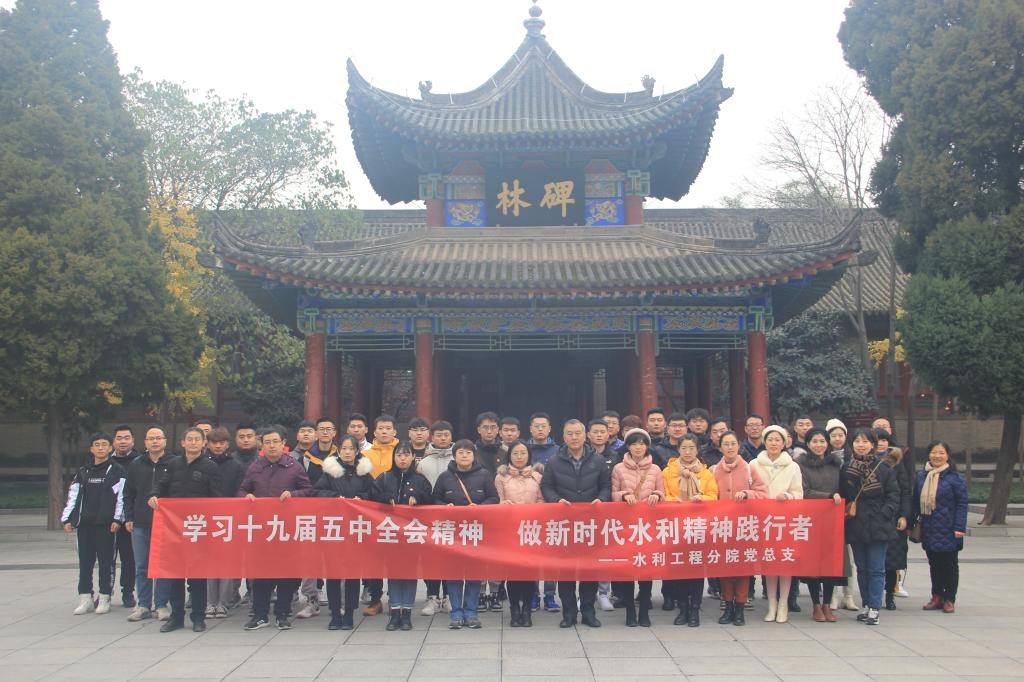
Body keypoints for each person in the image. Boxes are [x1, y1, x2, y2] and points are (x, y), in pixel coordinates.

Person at [238, 425, 313, 631]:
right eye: (267, 442)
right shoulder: (256, 466)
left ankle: (282, 614)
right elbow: (243, 489)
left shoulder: (294, 466)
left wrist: (293, 495)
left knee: (286, 574)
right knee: (261, 574)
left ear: (283, 444)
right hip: (262, 529)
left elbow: (308, 490)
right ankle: (260, 615)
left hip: (286, 529)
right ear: (262, 445)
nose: (271, 446)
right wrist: (247, 495)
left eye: (275, 442)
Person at [149, 427, 223, 633]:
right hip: (175, 528)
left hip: (198, 529)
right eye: (189, 439)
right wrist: (154, 496)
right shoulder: (173, 464)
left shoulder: (210, 467)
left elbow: (217, 497)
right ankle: (176, 617)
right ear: (182, 443)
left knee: (197, 577)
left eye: (197, 439)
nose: (192, 443)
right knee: (175, 575)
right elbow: (161, 486)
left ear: (203, 443)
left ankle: (198, 617)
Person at [540, 419, 611, 628]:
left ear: (585, 435)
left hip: (591, 524)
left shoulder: (597, 460)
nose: (574, 437)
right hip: (565, 524)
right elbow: (546, 486)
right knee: (566, 571)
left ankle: (588, 613)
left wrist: (602, 498)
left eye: (577, 433)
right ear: (564, 437)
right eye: (569, 434)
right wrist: (555, 500)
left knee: (589, 570)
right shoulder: (554, 461)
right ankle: (569, 614)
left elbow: (606, 485)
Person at [433, 440, 499, 628]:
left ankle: (471, 612)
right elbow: (434, 499)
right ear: (454, 456)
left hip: (475, 532)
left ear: (474, 455)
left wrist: (480, 507)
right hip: (452, 532)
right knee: (454, 574)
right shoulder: (445, 477)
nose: (464, 456)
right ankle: (456, 612)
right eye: (460, 452)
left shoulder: (484, 475)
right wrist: (444, 506)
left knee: (474, 574)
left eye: (468, 452)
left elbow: (494, 498)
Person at [311, 434, 374, 629]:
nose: (347, 452)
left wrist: (360, 498)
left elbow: (373, 494)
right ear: (338, 451)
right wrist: (335, 498)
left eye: (351, 449)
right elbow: (317, 492)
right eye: (344, 448)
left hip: (356, 530)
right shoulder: (330, 471)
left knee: (353, 574)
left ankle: (349, 613)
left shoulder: (364, 472)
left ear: (357, 451)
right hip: (334, 529)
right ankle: (335, 613)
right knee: (334, 573)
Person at [839, 427, 900, 626]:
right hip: (856, 524)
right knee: (862, 568)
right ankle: (866, 604)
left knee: (876, 568)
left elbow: (894, 495)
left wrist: (885, 513)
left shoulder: (884, 468)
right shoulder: (846, 469)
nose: (861, 445)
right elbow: (844, 494)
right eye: (857, 441)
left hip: (878, 524)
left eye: (865, 441)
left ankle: (874, 607)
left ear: (873, 445)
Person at [61, 433, 126, 616]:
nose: (100, 448)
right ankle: (85, 599)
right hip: (85, 525)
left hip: (106, 525)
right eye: (96, 444)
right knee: (85, 564)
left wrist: (117, 519)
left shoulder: (117, 470)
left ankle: (104, 598)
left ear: (110, 448)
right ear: (91, 448)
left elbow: (121, 497)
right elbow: (73, 496)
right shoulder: (84, 471)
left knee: (106, 564)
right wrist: (67, 519)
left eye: (104, 444)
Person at [373, 441, 434, 631]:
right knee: (394, 574)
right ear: (394, 457)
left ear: (413, 457)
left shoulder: (420, 480)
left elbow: (431, 501)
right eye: (399, 455)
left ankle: (406, 613)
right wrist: (384, 498)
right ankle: (394, 612)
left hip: (412, 535)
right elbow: (371, 497)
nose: (402, 458)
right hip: (390, 534)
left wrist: (420, 499)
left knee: (409, 574)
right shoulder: (384, 477)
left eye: (406, 455)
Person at [609, 429, 664, 627]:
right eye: (634, 443)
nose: (638, 447)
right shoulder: (618, 468)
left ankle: (644, 610)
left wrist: (656, 495)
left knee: (645, 569)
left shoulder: (655, 469)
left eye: (642, 443)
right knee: (627, 568)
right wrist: (624, 495)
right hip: (626, 526)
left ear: (647, 446)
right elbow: (612, 494)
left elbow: (662, 492)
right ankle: (630, 610)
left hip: (648, 526)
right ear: (628, 446)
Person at [712, 431, 767, 625]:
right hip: (722, 527)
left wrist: (747, 494)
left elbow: (763, 493)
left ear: (738, 446)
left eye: (733, 443)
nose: (730, 447)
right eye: (726, 444)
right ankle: (728, 606)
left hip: (745, 526)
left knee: (743, 568)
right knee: (725, 568)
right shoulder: (714, 470)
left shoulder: (750, 469)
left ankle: (740, 609)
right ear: (720, 448)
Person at [662, 432, 718, 626]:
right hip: (676, 526)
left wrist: (702, 498)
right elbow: (663, 495)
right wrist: (673, 501)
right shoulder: (668, 472)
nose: (687, 452)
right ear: (678, 449)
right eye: (684, 448)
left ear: (697, 450)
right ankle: (683, 608)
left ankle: (695, 609)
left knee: (696, 570)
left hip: (698, 526)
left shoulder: (705, 473)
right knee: (678, 570)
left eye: (691, 448)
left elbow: (714, 495)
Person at [751, 424, 803, 623]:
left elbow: (799, 493)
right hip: (763, 521)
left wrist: (787, 496)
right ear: (764, 442)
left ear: (784, 443)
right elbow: (750, 489)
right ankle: (772, 604)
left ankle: (783, 604)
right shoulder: (754, 464)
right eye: (770, 439)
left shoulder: (793, 466)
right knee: (769, 563)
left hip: (785, 521)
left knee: (785, 563)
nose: (773, 443)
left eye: (777, 440)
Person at [123, 426, 176, 622]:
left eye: (158, 438)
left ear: (165, 441)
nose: (155, 441)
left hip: (166, 523)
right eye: (151, 438)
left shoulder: (174, 463)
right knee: (142, 565)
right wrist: (129, 517)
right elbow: (128, 493)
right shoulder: (136, 464)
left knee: (163, 565)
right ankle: (143, 604)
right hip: (140, 522)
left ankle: (161, 604)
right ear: (145, 442)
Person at [910, 441, 968, 614]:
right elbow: (915, 502)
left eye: (941, 453)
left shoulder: (956, 478)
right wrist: (911, 522)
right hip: (929, 527)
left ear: (947, 456)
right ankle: (936, 596)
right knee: (934, 564)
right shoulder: (922, 476)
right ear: (929, 454)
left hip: (949, 528)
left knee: (949, 565)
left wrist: (960, 527)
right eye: (934, 452)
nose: (937, 456)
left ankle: (949, 598)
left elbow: (962, 504)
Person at [798, 427, 845, 622]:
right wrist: (828, 496)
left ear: (828, 443)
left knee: (831, 563)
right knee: (813, 565)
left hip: (833, 519)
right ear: (808, 444)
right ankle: (816, 605)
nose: (819, 445)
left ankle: (827, 604)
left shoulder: (836, 464)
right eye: (814, 441)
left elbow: (843, 488)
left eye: (822, 441)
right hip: (811, 519)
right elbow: (804, 491)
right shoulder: (801, 465)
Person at [495, 440, 543, 627]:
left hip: (531, 530)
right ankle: (515, 610)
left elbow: (542, 500)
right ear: (509, 456)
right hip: (509, 531)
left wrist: (535, 509)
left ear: (529, 455)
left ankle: (527, 611)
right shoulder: (501, 477)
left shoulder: (537, 477)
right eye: (515, 453)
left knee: (529, 573)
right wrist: (503, 505)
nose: (519, 457)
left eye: (523, 453)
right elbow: (497, 500)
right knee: (513, 574)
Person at [294, 416, 337, 620]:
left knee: (336, 559)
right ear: (316, 433)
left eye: (329, 429)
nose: (325, 432)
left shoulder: (342, 455)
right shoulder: (305, 458)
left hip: (336, 515)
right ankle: (311, 599)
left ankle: (338, 601)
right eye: (322, 429)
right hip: (310, 515)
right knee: (310, 558)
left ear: (334, 433)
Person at [362, 414, 399, 616]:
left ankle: (395, 598)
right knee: (373, 559)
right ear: (374, 432)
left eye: (388, 428)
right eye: (381, 428)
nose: (384, 432)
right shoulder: (365, 455)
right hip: (373, 511)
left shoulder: (401, 451)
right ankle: (375, 598)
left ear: (394, 431)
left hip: (398, 512)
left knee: (396, 558)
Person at [418, 421, 455, 616]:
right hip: (429, 517)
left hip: (452, 517)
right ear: (432, 437)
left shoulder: (458, 458)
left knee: (450, 558)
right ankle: (432, 596)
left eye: (446, 434)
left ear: (451, 437)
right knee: (431, 559)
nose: (442, 438)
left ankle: (448, 596)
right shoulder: (423, 463)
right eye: (439, 435)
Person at [877, 428, 914, 611]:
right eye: (877, 440)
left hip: (893, 517)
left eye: (885, 440)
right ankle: (873, 596)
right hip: (873, 517)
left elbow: (905, 491)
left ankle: (890, 594)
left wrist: (904, 515)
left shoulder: (896, 463)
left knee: (892, 560)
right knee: (874, 560)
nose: (881, 443)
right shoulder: (864, 462)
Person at [825, 418, 858, 611]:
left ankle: (849, 595)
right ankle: (833, 596)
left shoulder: (853, 458)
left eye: (840, 435)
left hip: (848, 512)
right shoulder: (825, 458)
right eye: (833, 435)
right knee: (832, 556)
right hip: (829, 510)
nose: (837, 439)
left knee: (849, 558)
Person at [587, 418, 618, 612]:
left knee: (605, 553)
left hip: (608, 510)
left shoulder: (616, 455)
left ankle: (604, 593)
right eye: (595, 432)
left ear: (609, 434)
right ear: (588, 435)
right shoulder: (583, 454)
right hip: (584, 509)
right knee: (585, 554)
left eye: (602, 432)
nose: (599, 435)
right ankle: (585, 594)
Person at [109, 424, 139, 608]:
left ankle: (127, 592)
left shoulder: (139, 461)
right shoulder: (106, 462)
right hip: (108, 518)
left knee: (129, 559)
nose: (123, 441)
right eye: (119, 438)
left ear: (133, 441)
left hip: (129, 518)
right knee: (107, 559)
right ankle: (105, 591)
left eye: (126, 438)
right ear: (113, 441)